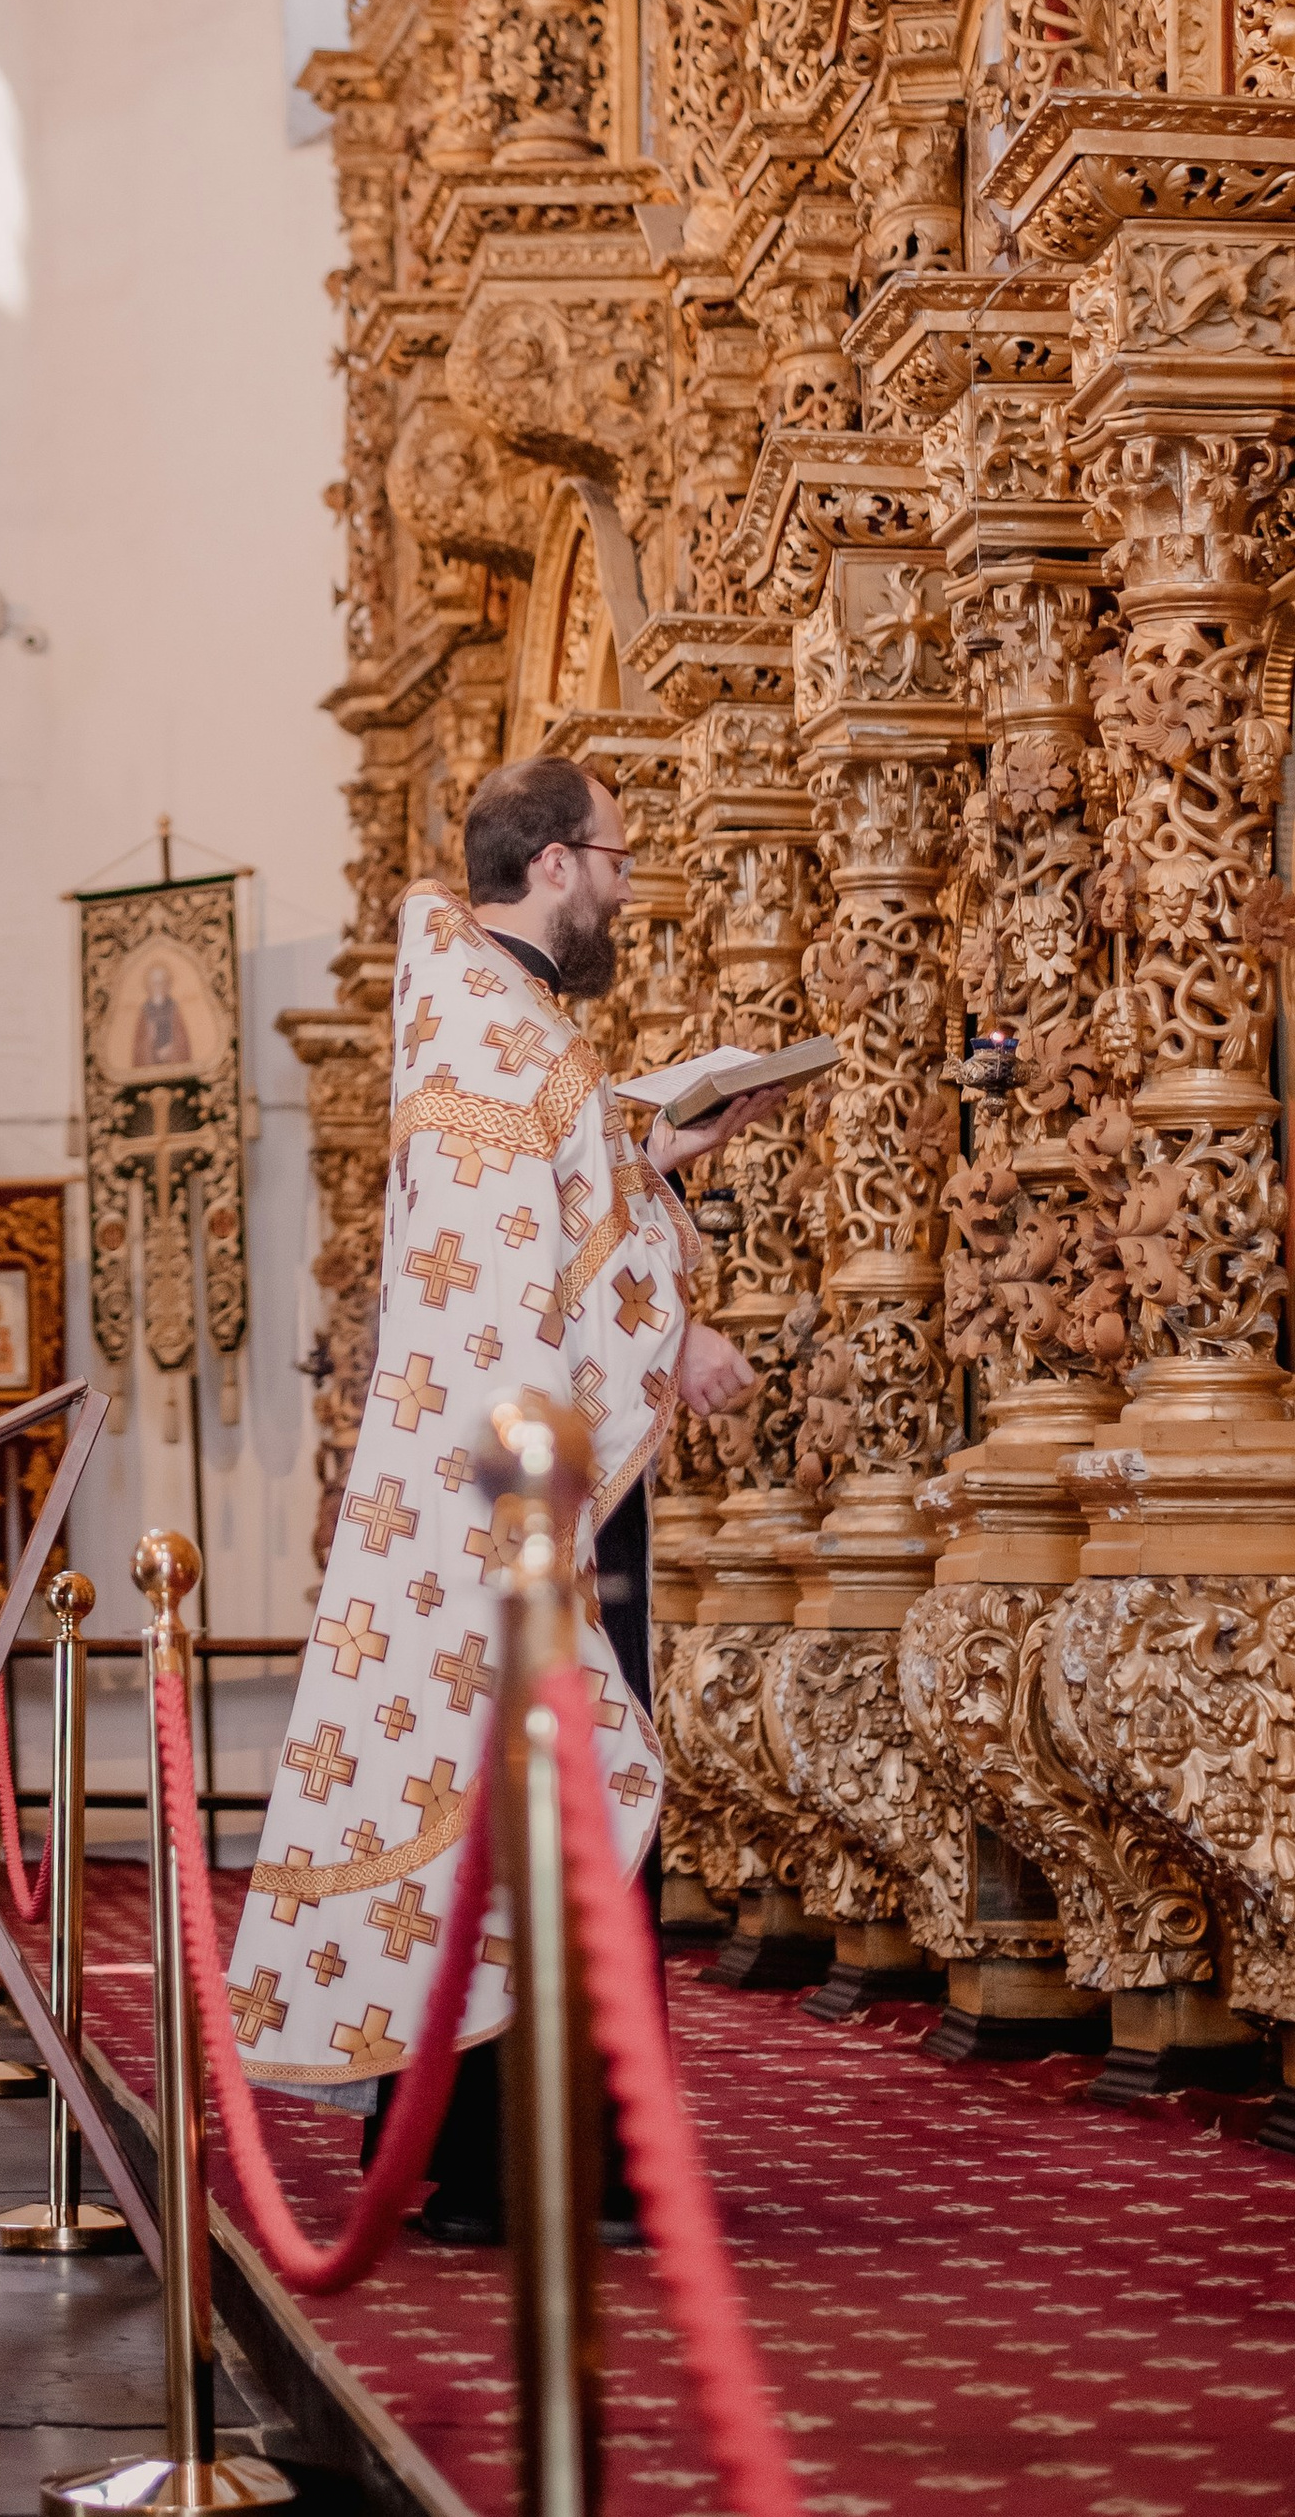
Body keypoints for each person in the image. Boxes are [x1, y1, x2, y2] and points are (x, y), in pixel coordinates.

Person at [225, 751, 781, 2239]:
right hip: (514, 1504)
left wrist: (653, 1146)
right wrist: (673, 1331)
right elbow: (505, 1298)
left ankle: (510, 2153)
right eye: (611, 852)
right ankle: (510, 2166)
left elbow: (548, 1216)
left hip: (528, 1483)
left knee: (526, 1809)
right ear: (548, 861)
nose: (623, 878)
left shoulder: (501, 1018)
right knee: (538, 1805)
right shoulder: (495, 1028)